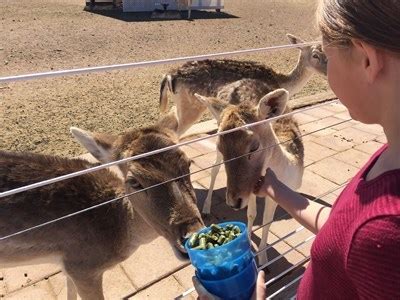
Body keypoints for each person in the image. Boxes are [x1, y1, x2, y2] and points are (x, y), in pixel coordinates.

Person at [195, 0, 400, 299]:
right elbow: (344, 230)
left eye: (327, 58)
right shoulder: (389, 156)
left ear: (367, 60)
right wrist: (279, 191)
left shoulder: (385, 233)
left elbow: (367, 239)